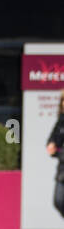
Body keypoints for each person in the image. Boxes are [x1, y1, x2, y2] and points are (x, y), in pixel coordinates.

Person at [48, 91, 64, 220]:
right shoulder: (61, 121)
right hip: (62, 170)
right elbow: (53, 139)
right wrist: (52, 145)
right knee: (58, 200)